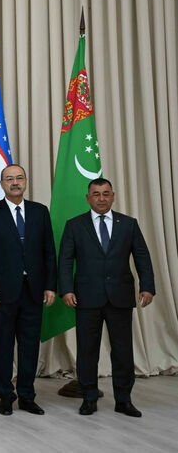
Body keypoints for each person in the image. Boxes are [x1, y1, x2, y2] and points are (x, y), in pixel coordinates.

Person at [58, 177, 155, 417]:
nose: (101, 198)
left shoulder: (129, 224)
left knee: (123, 352)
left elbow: (142, 257)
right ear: (88, 198)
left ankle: (124, 400)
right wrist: (66, 289)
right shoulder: (74, 225)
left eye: (105, 193)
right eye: (96, 194)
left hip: (120, 297)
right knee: (87, 351)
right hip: (86, 298)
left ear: (113, 196)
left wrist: (148, 287)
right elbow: (65, 261)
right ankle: (89, 398)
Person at [0, 164, 56, 416]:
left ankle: (27, 396)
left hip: (34, 292)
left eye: (19, 178)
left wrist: (50, 286)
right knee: (3, 346)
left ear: (26, 181)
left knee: (30, 347)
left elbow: (49, 252)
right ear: (2, 184)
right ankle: (6, 396)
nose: (15, 182)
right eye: (9, 179)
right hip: (1, 294)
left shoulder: (40, 212)